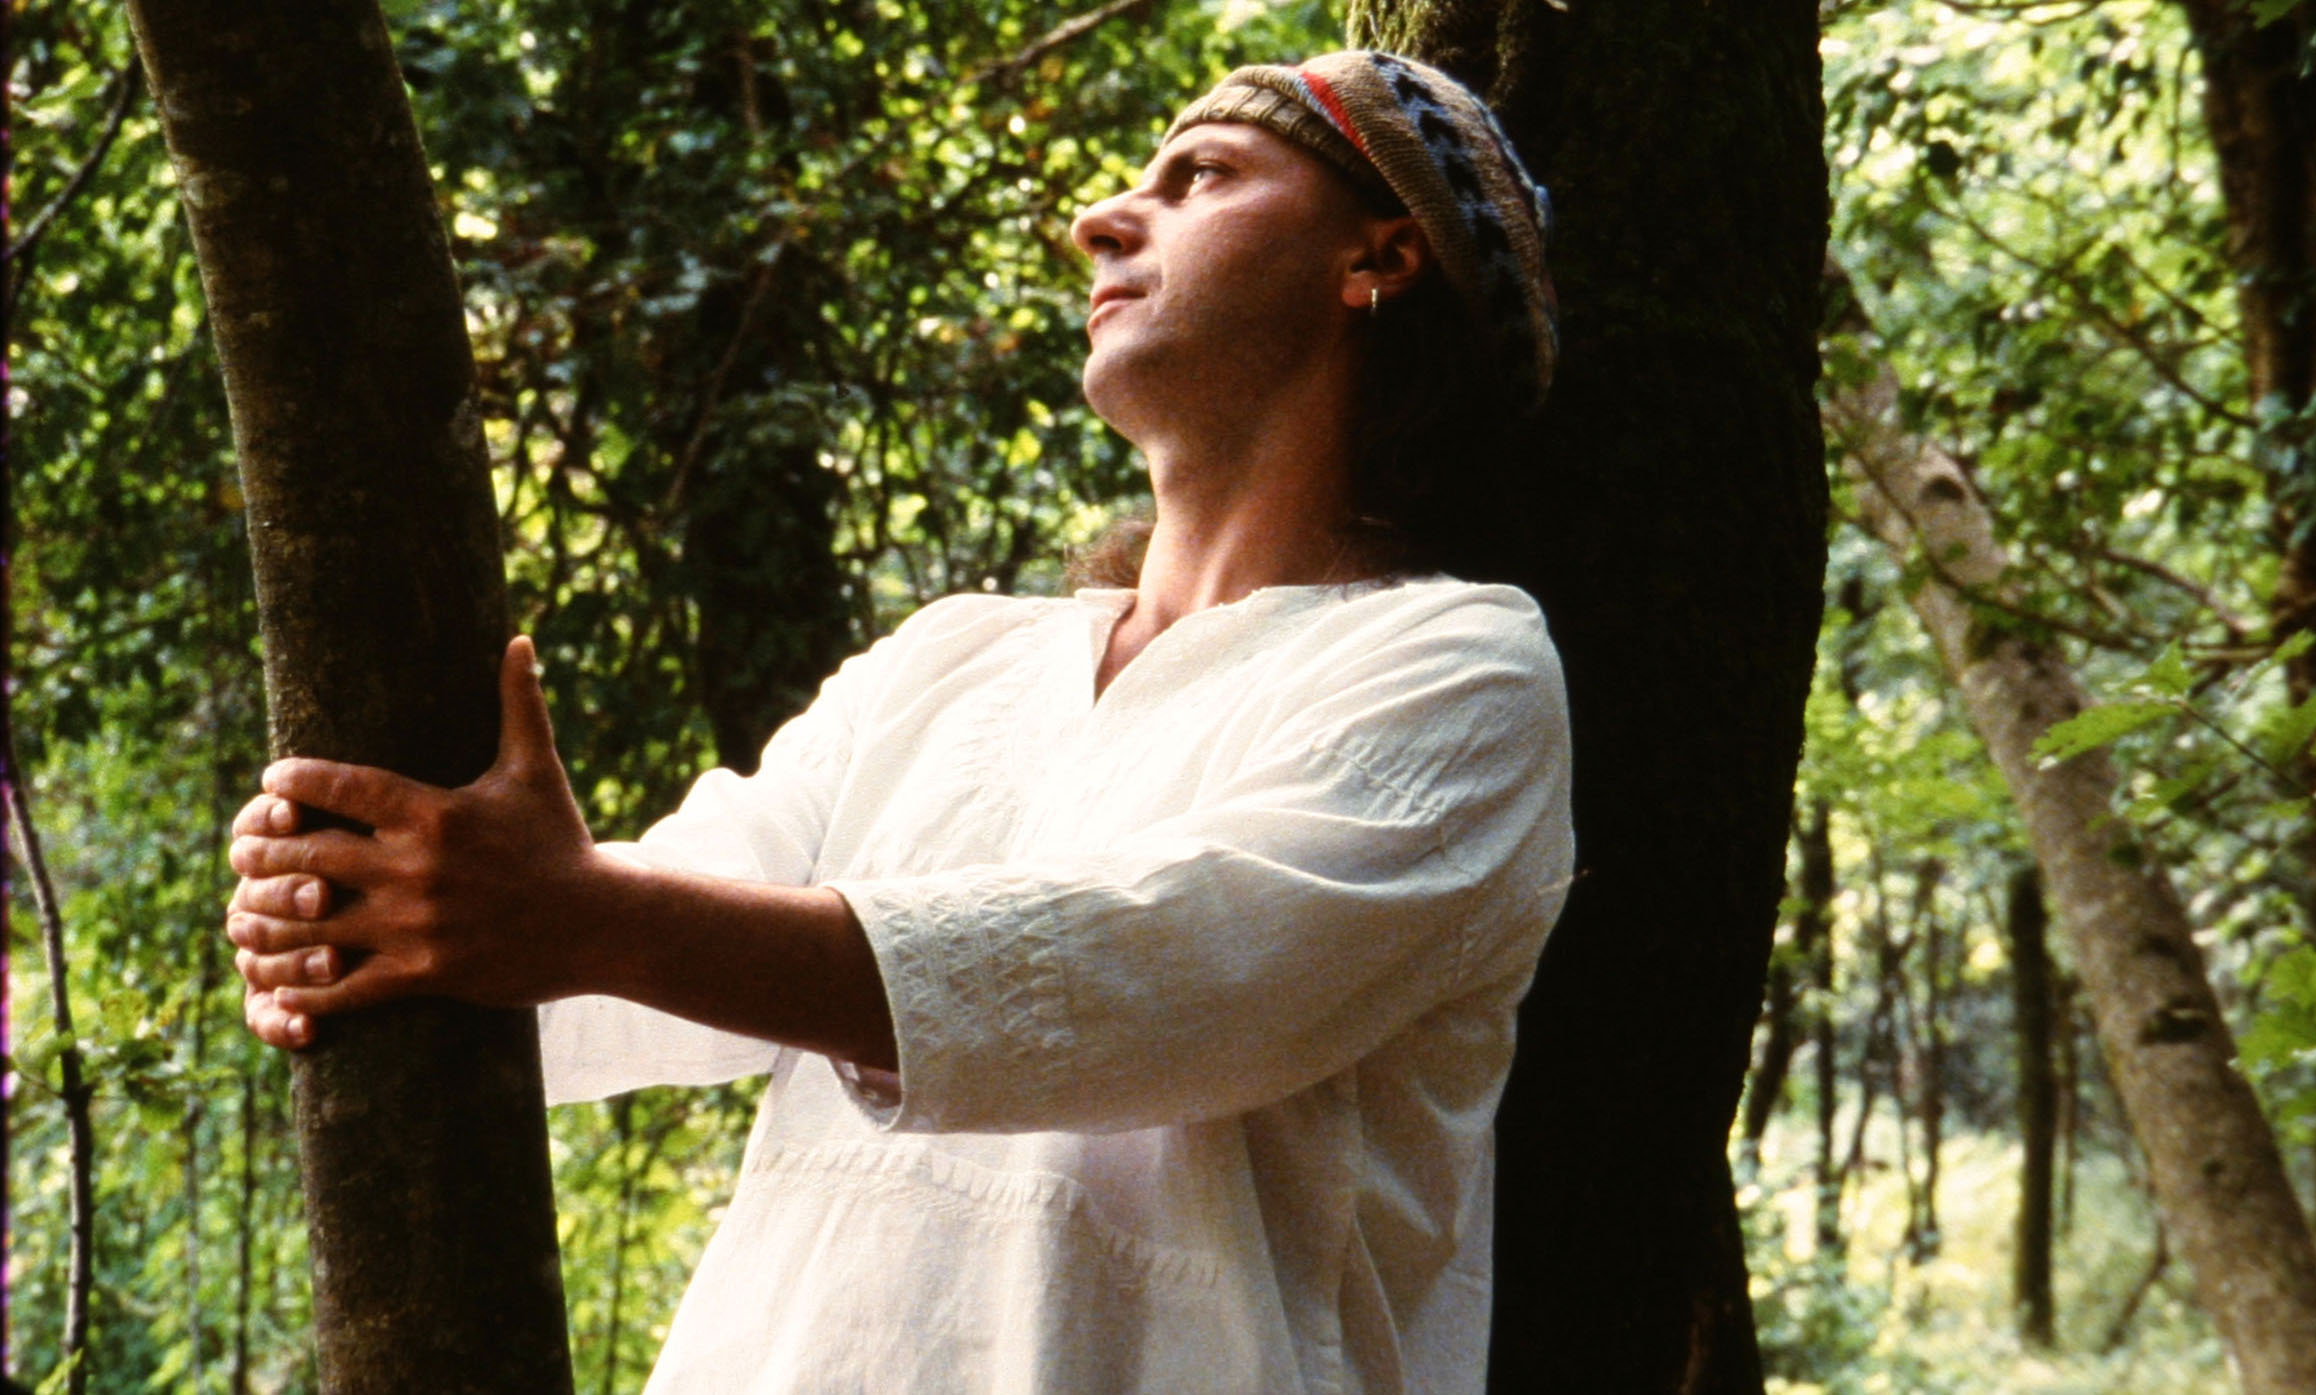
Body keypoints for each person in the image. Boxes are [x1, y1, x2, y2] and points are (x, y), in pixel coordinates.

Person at [226, 51, 1570, 1393]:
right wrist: (382, 899)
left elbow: (1167, 971)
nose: (1101, 219)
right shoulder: (954, 659)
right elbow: (641, 932)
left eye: (1201, 176)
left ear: (1379, 257)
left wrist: (570, 914)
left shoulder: (1463, 666)